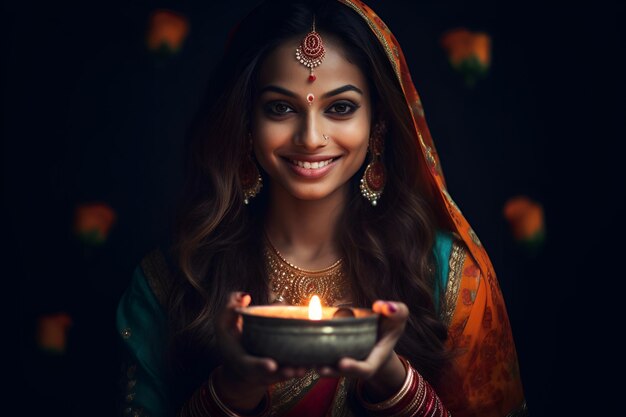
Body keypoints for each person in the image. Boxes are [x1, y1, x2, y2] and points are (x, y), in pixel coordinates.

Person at [116, 0, 527, 416]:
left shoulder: (447, 273)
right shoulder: (176, 278)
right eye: (281, 107)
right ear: (246, 122)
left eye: (340, 108)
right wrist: (234, 388)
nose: (311, 137)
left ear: (377, 122)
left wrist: (394, 381)